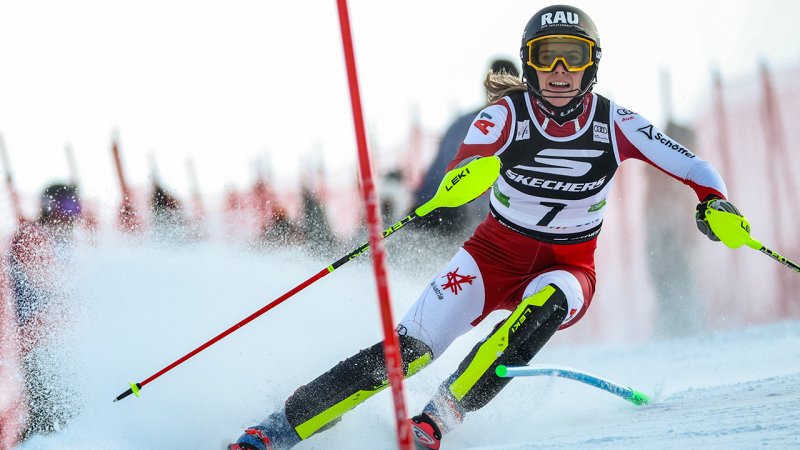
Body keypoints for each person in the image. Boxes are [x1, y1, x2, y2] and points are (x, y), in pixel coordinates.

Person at [228, 5, 742, 449]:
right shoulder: (504, 116)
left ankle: (437, 419)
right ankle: (279, 428)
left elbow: (694, 166)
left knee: (542, 309)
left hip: (568, 268)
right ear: (528, 62)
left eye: (573, 56)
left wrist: (715, 202)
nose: (559, 70)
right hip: (488, 257)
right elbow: (466, 163)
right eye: (546, 56)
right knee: (405, 353)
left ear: (593, 63)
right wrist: (467, 177)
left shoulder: (615, 123)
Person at [412, 59, 519, 241]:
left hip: (497, 222)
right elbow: (443, 174)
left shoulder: (526, 128)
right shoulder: (467, 125)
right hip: (453, 215)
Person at [7, 183, 82, 439]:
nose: (73, 216)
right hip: (38, 349)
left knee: (70, 418)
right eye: (67, 207)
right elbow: (48, 281)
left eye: (76, 207)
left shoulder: (62, 243)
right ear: (50, 207)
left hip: (59, 348)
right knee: (50, 423)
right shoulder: (31, 235)